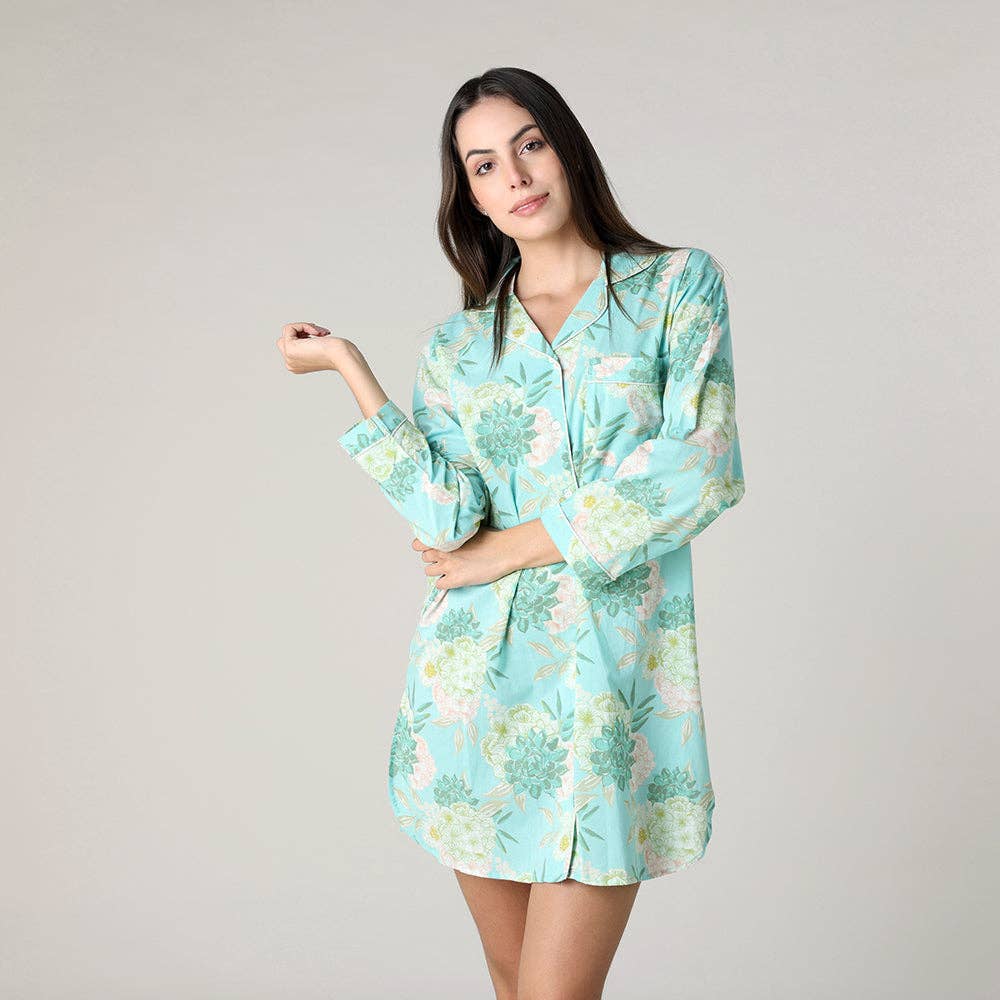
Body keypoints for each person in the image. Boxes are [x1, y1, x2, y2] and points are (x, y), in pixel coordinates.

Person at [277, 66, 746, 1000]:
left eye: (530, 145)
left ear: (567, 150)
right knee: (509, 978)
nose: (516, 175)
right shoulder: (458, 347)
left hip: (608, 693)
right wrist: (351, 370)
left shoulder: (674, 287)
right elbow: (448, 520)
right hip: (472, 695)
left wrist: (512, 548)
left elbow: (699, 465)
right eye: (484, 165)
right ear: (473, 197)